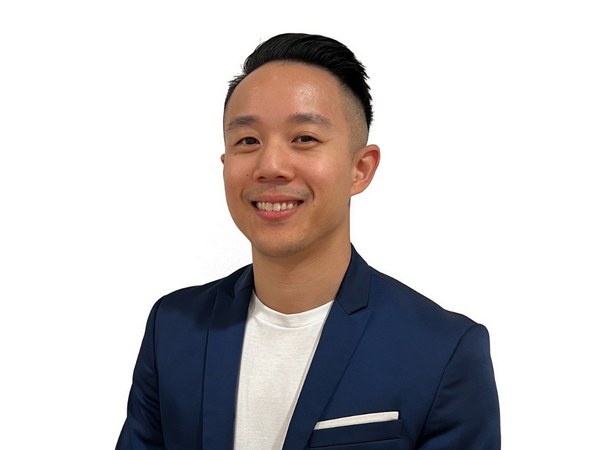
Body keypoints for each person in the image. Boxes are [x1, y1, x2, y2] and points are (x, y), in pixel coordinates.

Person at [116, 33, 500, 450]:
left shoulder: (442, 350)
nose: (271, 166)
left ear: (360, 169)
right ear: (225, 164)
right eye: (248, 141)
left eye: (304, 138)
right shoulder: (173, 328)